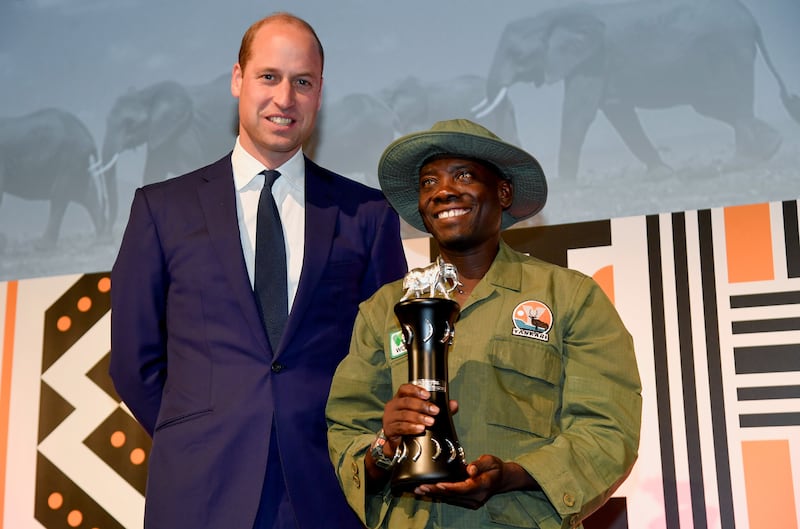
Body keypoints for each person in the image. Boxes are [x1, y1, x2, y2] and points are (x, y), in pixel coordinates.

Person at [109, 12, 407, 529]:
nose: (285, 98)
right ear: (237, 79)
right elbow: (134, 362)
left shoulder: (368, 215)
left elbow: (387, 354)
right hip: (199, 491)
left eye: (303, 82)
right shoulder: (161, 209)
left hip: (329, 491)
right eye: (269, 76)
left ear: (319, 93)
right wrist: (199, 434)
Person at [326, 119, 642, 529]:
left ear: (503, 192)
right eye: (428, 182)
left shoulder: (569, 297)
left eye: (464, 175)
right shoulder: (385, 308)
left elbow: (608, 430)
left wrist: (513, 475)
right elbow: (347, 427)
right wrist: (385, 447)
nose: (443, 191)